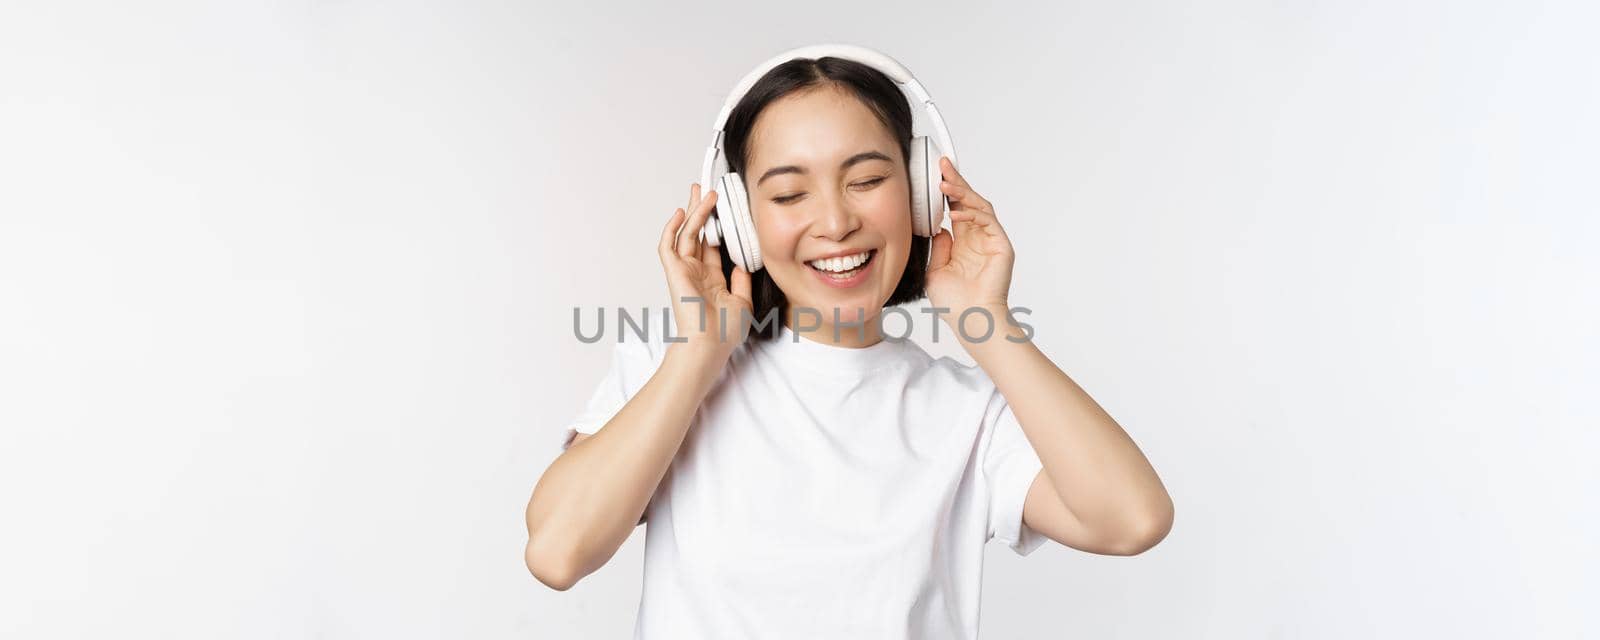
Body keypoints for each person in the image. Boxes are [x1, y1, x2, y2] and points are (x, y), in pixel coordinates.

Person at [524, 47, 1174, 638]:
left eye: (866, 180)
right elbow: (557, 552)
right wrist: (700, 353)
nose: (836, 222)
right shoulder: (669, 373)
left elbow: (1131, 520)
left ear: (920, 193)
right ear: (742, 220)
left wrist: (987, 321)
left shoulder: (971, 413)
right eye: (788, 193)